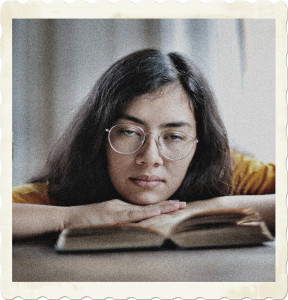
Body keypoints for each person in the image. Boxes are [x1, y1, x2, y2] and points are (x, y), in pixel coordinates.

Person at [12, 49, 275, 239]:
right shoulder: (66, 191)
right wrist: (72, 217)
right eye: (128, 132)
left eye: (173, 136)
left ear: (198, 143)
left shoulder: (223, 167)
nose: (150, 158)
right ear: (100, 137)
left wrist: (210, 209)